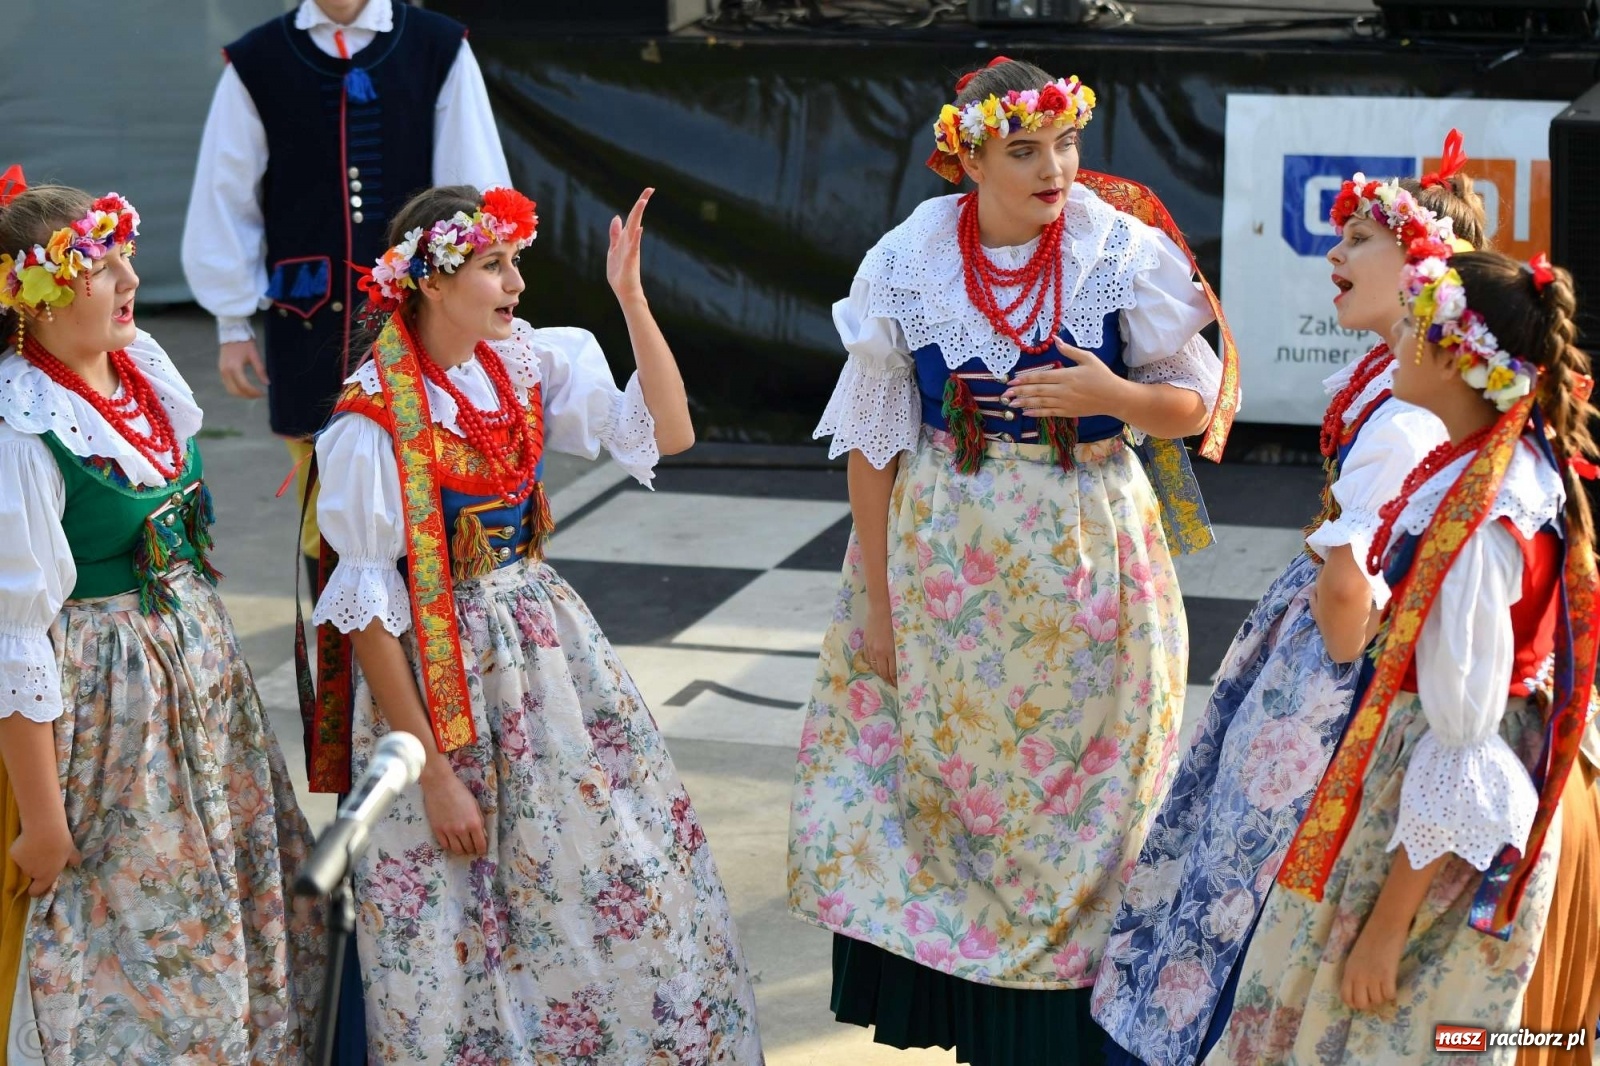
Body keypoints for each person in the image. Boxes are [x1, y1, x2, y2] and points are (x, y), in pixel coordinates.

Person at [788, 56, 1238, 1066]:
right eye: (1025, 150)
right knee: (968, 794)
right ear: (969, 157)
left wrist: (1113, 397)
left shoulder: (1117, 248)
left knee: (1099, 796)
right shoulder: (907, 259)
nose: (1054, 168)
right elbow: (873, 442)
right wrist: (880, 604)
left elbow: (1193, 402)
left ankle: (1088, 1030)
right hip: (952, 568)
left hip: (1092, 551)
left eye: (1066, 143)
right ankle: (989, 1027)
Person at [306, 184, 765, 1063]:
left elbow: (667, 432)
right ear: (432, 283)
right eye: (493, 265)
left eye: (514, 261)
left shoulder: (521, 360)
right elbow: (368, 617)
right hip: (441, 683)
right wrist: (432, 773)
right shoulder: (372, 421)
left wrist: (630, 297)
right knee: (462, 917)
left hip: (543, 656)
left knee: (606, 878)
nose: (516, 282)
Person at [1092, 135, 1486, 1066]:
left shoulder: (1407, 413)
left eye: (1356, 240)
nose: (1333, 256)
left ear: (1424, 268)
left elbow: (1351, 587)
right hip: (1315, 648)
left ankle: (1193, 1036)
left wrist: (1328, 669)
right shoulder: (1394, 389)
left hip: (1327, 675)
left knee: (1250, 862)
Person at [1210, 247, 1598, 1064]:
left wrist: (1387, 929)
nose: (1399, 338)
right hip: (1420, 783)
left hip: (1442, 833)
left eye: (1417, 324)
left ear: (1460, 360)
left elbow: (1469, 744)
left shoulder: (1487, 517)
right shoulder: (1477, 468)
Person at [0, 176, 319, 1062]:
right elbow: (14, 640)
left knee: (222, 898)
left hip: (198, 683)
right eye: (102, 266)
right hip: (110, 716)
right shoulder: (19, 426)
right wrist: (43, 818)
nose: (129, 278)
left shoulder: (139, 368)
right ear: (39, 293)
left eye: (123, 256)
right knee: (135, 937)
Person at [181, 0, 510, 582]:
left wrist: (481, 298)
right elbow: (224, 195)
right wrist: (232, 322)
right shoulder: (258, 60)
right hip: (308, 322)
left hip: (422, 315)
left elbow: (475, 192)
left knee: (429, 484)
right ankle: (343, 661)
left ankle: (433, 652)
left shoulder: (437, 46)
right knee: (327, 505)